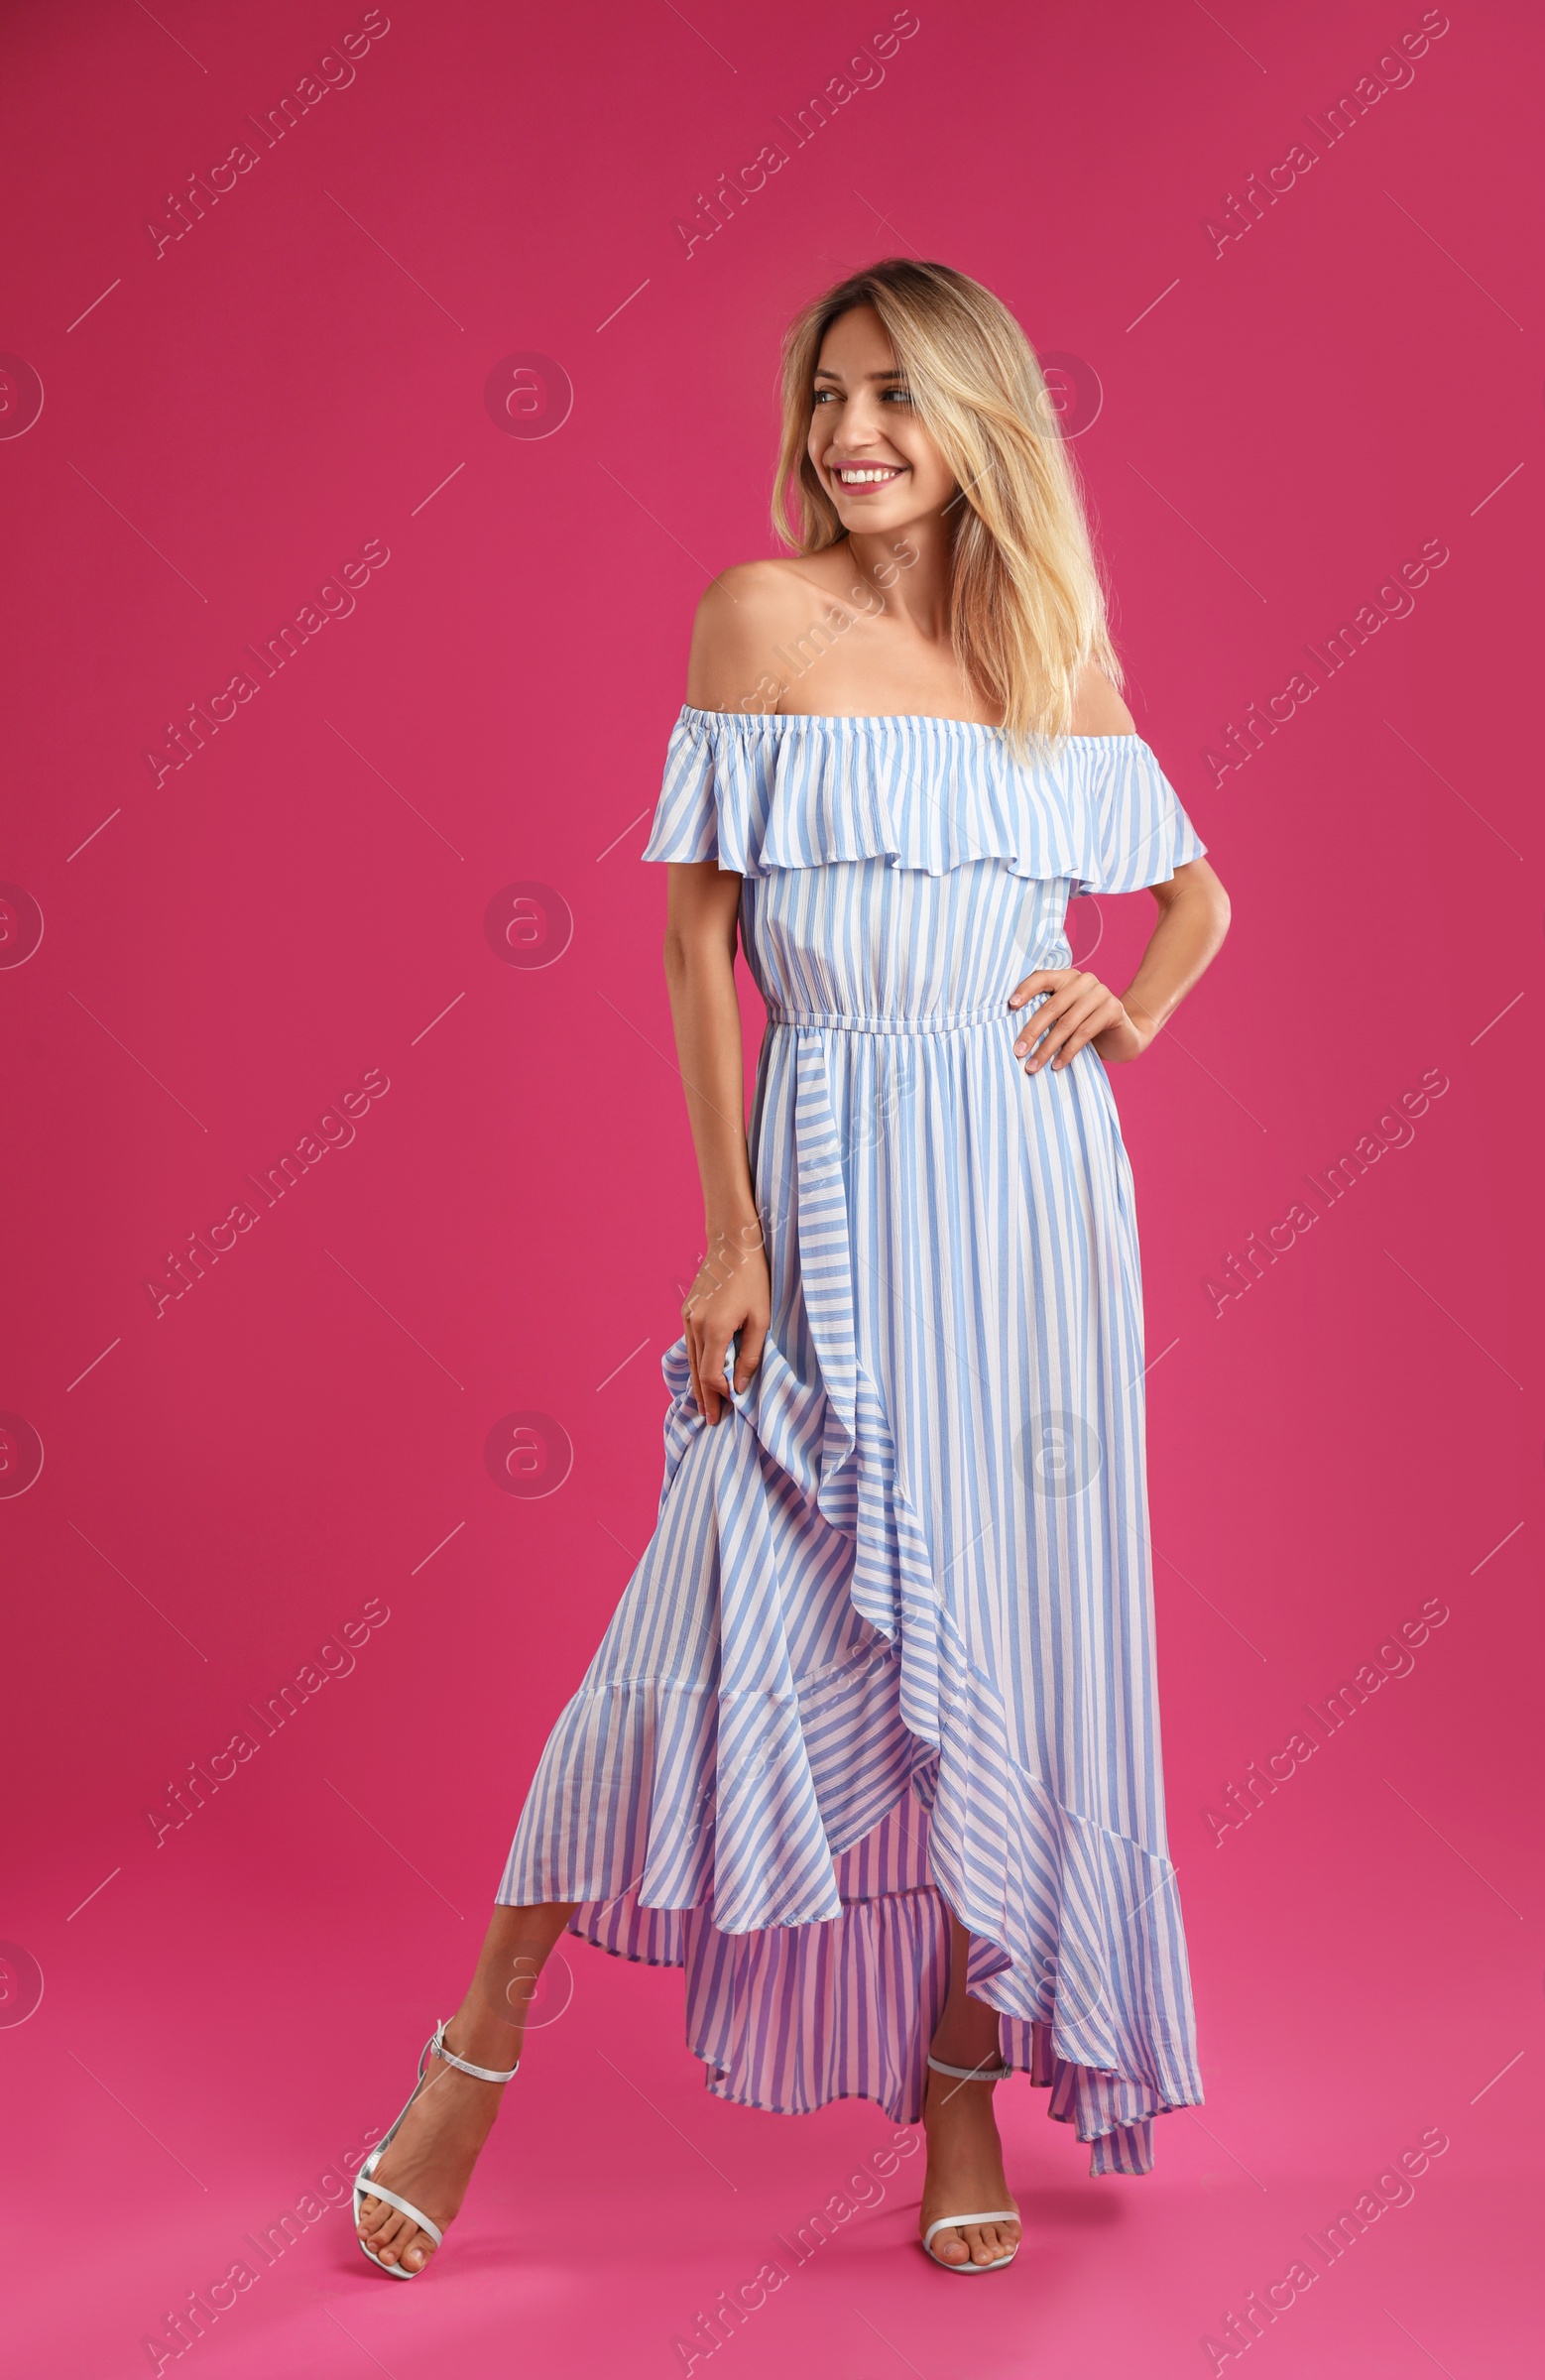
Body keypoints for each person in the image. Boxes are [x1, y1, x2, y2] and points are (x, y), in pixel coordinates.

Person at [355, 257, 1231, 2281]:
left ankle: (953, 2090)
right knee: (707, 1613)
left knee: (1004, 1654)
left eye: (898, 398)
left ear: (978, 422)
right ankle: (469, 2051)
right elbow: (688, 945)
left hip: (1028, 1220)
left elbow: (1191, 895)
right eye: (830, 393)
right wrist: (728, 1235)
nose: (851, 433)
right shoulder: (758, 620)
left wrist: (1129, 1011)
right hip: (828, 1177)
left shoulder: (1049, 659)